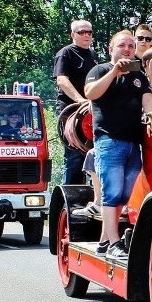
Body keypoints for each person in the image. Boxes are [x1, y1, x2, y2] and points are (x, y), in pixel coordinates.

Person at [84, 30, 152, 260]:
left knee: (123, 196)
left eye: (131, 46)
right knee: (111, 194)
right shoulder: (100, 70)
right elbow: (91, 93)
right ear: (110, 49)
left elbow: (148, 102)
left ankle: (104, 242)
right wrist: (115, 71)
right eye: (122, 45)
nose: (127, 49)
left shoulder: (139, 76)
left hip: (134, 143)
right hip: (109, 141)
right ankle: (114, 244)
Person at [53, 19, 99, 184]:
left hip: (92, 114)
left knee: (94, 156)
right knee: (74, 159)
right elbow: (61, 80)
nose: (86, 35)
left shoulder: (93, 55)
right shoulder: (66, 53)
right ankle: (72, 202)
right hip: (72, 113)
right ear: (73, 34)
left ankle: (95, 198)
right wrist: (81, 100)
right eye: (82, 32)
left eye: (89, 32)